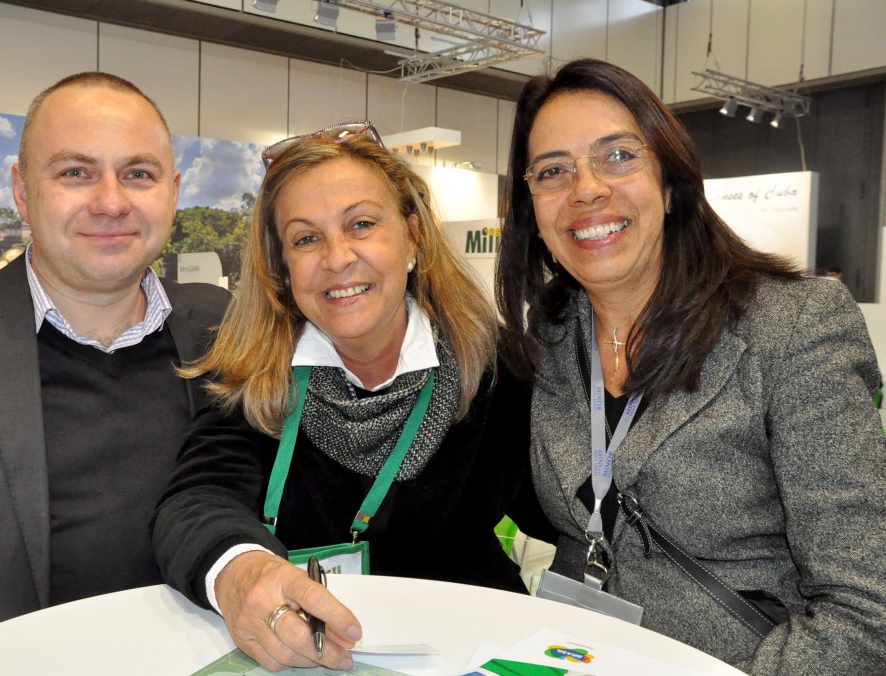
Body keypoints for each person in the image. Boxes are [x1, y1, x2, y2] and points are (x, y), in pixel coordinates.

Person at [496, 58, 886, 674]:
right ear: (533, 207)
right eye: (553, 171)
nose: (586, 189)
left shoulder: (791, 326)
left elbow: (868, 608)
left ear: (671, 180)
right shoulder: (544, 346)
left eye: (617, 156)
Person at [0, 71, 230, 667]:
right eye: (75, 172)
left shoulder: (219, 326)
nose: (111, 201)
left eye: (138, 173)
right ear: (22, 189)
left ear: (173, 191)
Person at [153, 121, 549, 672]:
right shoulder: (253, 374)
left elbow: (564, 509)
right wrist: (244, 571)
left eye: (361, 224)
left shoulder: (499, 368)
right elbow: (196, 500)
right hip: (310, 659)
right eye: (306, 238)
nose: (337, 258)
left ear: (413, 236)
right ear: (281, 266)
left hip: (470, 654)